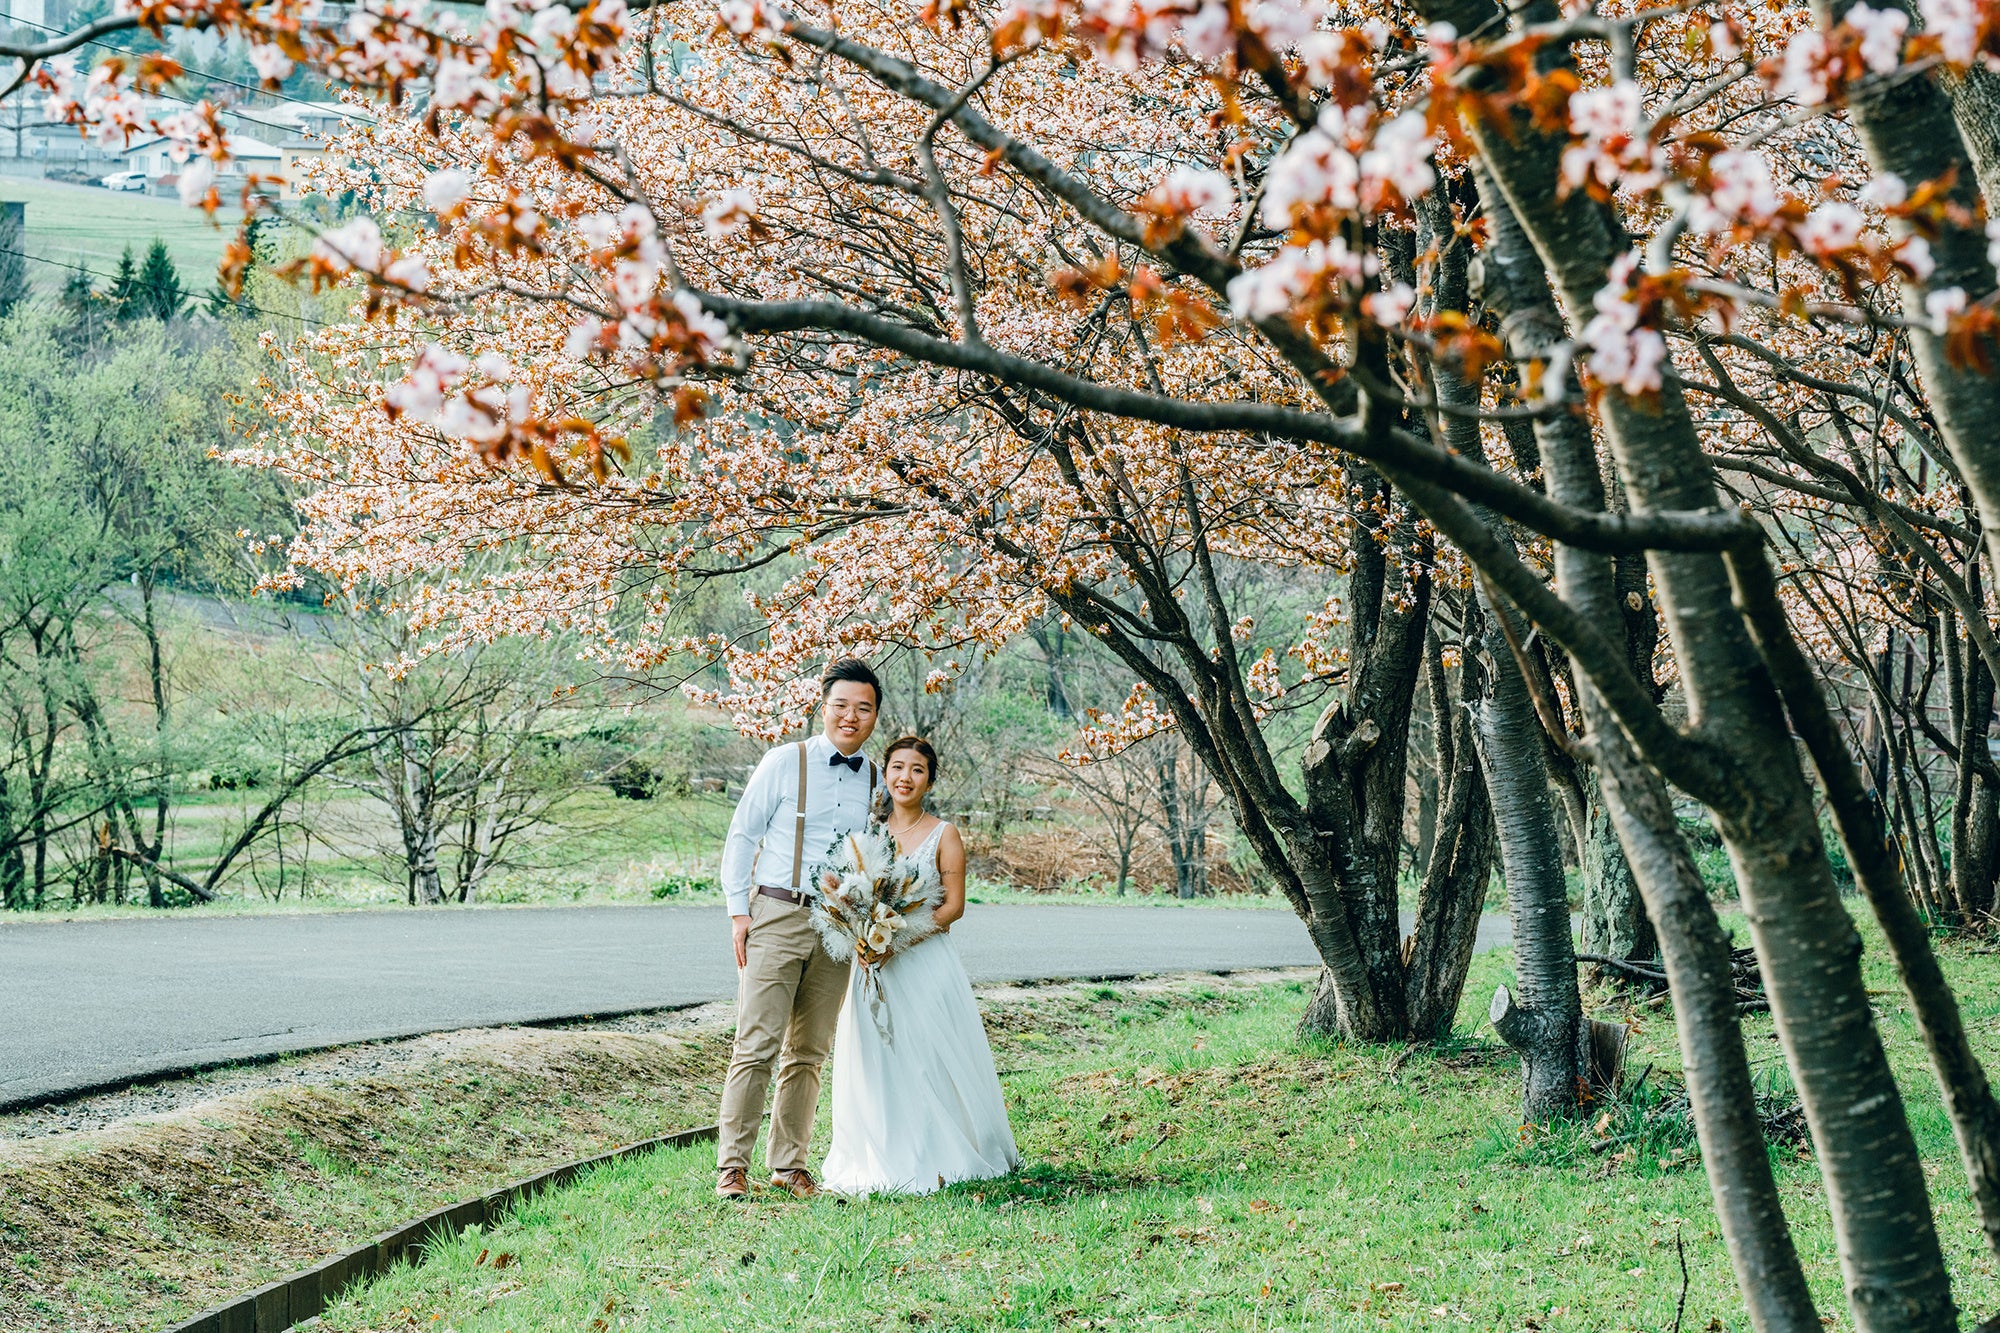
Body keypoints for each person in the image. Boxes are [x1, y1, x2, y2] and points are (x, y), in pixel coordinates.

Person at [819, 735, 1021, 1196]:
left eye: (916, 770)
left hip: (924, 963)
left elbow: (952, 907)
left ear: (929, 779)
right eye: (896, 768)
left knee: (928, 1055)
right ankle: (882, 1152)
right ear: (885, 774)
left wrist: (897, 939)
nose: (904, 777)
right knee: (879, 1060)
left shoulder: (943, 833)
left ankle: (943, 1150)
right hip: (872, 964)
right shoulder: (867, 836)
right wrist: (863, 935)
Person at [715, 658, 882, 1200]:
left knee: (809, 1049)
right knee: (756, 1042)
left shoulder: (878, 778)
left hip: (836, 925)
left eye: (863, 708)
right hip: (778, 912)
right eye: (841, 706)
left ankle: (789, 1164)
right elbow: (743, 835)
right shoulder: (785, 761)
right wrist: (739, 912)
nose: (851, 717)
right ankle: (732, 1167)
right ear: (823, 706)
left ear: (875, 715)